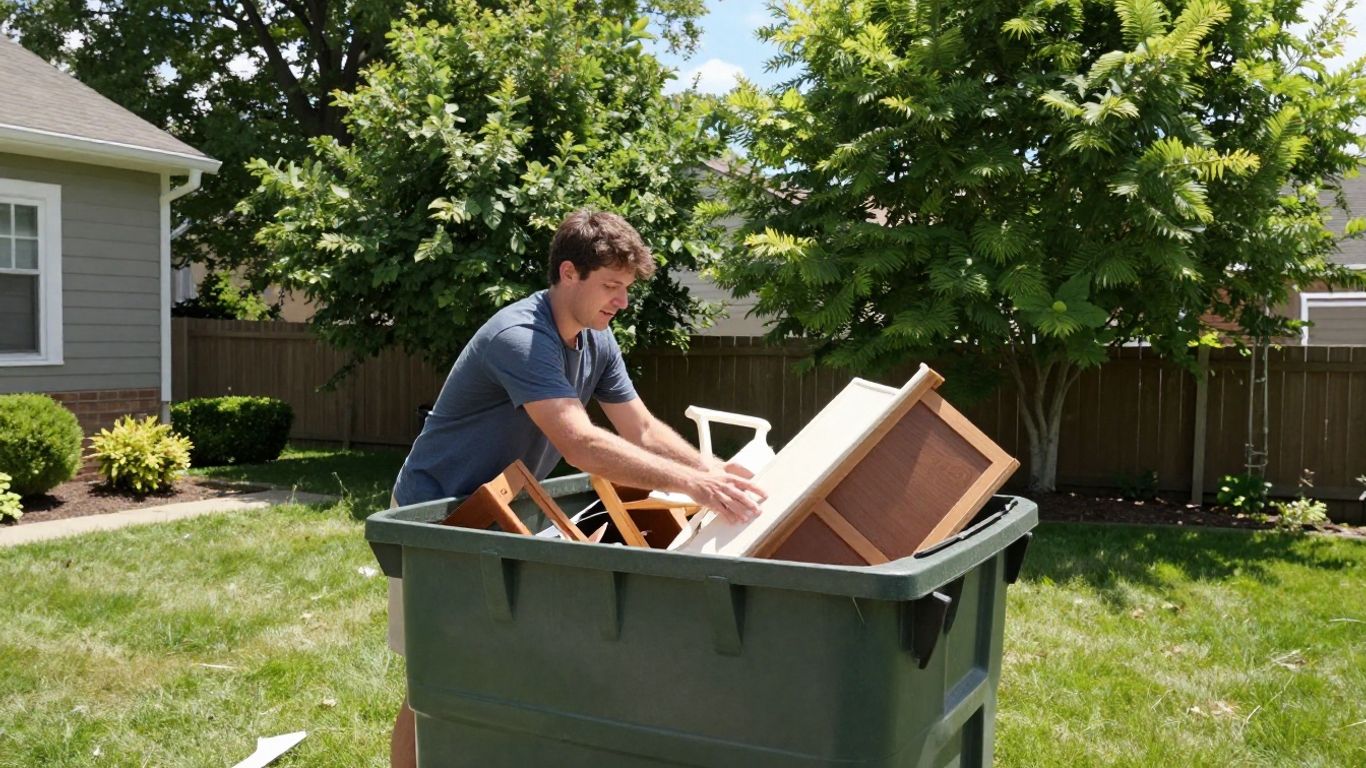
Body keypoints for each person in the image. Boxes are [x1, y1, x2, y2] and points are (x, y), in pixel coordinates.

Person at [386, 209, 765, 767]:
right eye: (611, 286)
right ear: (569, 273)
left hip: (504, 511)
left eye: (627, 287)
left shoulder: (597, 340)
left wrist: (711, 470)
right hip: (436, 515)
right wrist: (694, 483)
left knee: (500, 662)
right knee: (436, 676)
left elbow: (641, 428)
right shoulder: (520, 336)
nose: (622, 300)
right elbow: (581, 445)